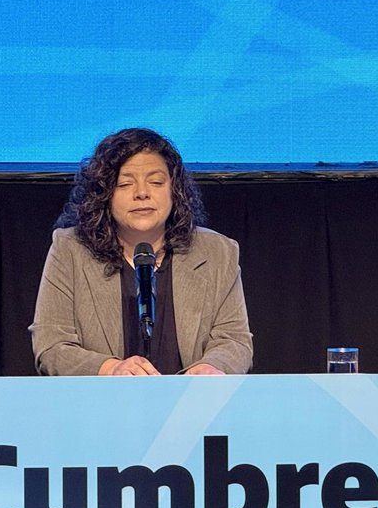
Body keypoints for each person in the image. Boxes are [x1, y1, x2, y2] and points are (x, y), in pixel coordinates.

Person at [31, 128, 253, 376]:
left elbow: (234, 340)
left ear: (175, 190)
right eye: (125, 184)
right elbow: (52, 345)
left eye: (156, 182)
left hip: (192, 398)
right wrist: (111, 369)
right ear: (104, 194)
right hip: (104, 399)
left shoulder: (217, 251)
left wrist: (212, 367)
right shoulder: (70, 249)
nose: (142, 193)